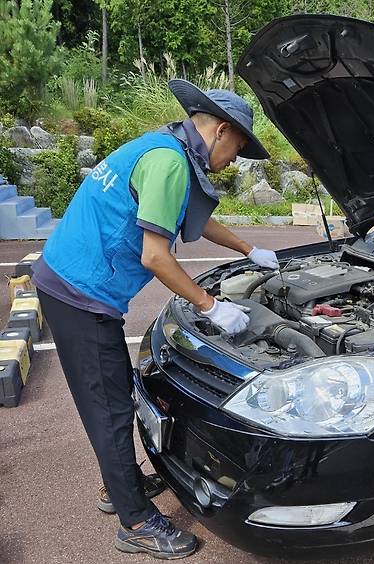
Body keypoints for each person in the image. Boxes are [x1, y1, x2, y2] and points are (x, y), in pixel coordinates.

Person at [32, 79, 278, 559]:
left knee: (115, 393)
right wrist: (212, 306)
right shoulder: (169, 162)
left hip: (73, 282)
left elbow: (196, 219)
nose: (233, 162)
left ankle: (119, 480)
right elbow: (155, 257)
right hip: (79, 293)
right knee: (109, 407)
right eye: (238, 149)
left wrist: (251, 249)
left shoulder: (163, 148)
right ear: (221, 131)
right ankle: (135, 521)